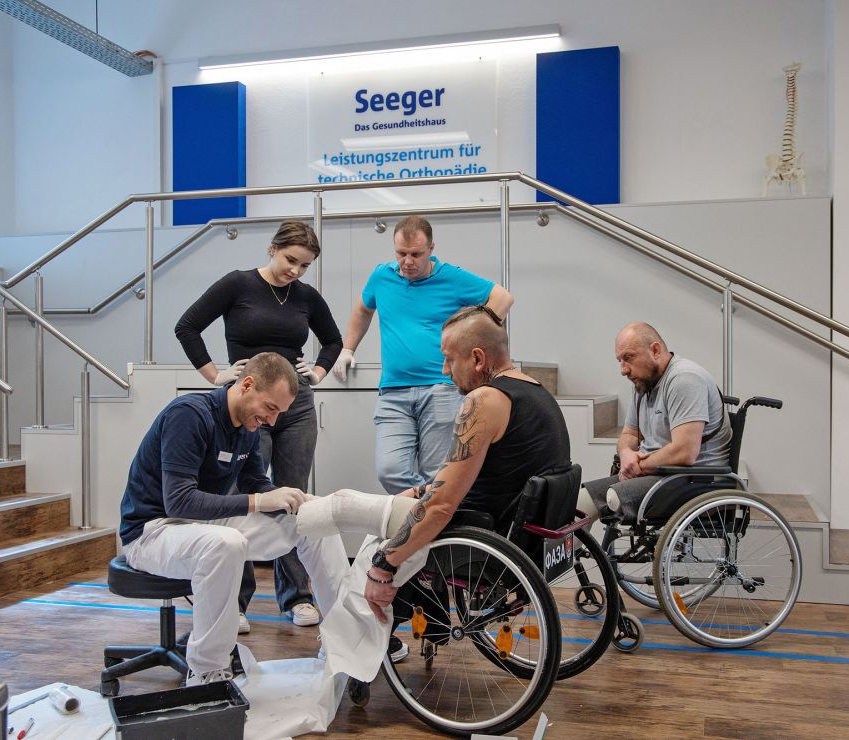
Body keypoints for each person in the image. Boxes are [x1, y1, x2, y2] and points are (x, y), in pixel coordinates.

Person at [117, 353, 349, 685]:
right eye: (270, 408)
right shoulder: (190, 416)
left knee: (315, 524)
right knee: (226, 544)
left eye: (278, 414)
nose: (271, 420)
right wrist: (258, 501)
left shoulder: (247, 427)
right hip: (152, 531)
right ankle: (208, 672)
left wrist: (289, 500)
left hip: (203, 525)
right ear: (247, 384)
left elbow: (256, 483)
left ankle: (342, 644)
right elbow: (180, 501)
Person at [174, 221, 341, 632]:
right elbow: (187, 326)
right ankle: (236, 601)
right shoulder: (238, 285)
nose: (296, 272)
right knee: (244, 493)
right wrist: (216, 376)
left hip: (295, 405)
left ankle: (296, 597)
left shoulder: (305, 297)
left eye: (304, 266)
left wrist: (317, 372)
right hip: (249, 403)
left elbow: (333, 340)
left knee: (291, 498)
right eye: (290, 261)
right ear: (272, 248)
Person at [360, 304, 571, 624]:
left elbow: (441, 506)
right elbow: (483, 476)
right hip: (521, 532)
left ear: (477, 358)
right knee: (394, 504)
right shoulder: (535, 390)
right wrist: (419, 490)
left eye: (449, 359)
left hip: (478, 538)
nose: (445, 370)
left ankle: (361, 649)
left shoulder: (483, 401)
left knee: (366, 536)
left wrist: (382, 566)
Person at [331, 215, 514, 496]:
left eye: (416, 254)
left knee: (438, 472)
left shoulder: (451, 277)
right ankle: (428, 511)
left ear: (431, 248)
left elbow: (503, 298)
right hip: (393, 392)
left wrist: (472, 336)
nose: (407, 261)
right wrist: (347, 349)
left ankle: (433, 529)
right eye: (401, 254)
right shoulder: (382, 277)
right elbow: (363, 310)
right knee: (390, 470)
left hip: (442, 389)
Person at [579, 322, 732, 520]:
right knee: (581, 502)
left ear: (656, 350)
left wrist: (638, 466)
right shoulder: (643, 383)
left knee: (614, 498)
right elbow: (629, 434)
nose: (623, 370)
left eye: (628, 358)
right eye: (619, 361)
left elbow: (685, 452)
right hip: (658, 474)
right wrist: (626, 454)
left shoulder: (684, 380)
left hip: (695, 480)